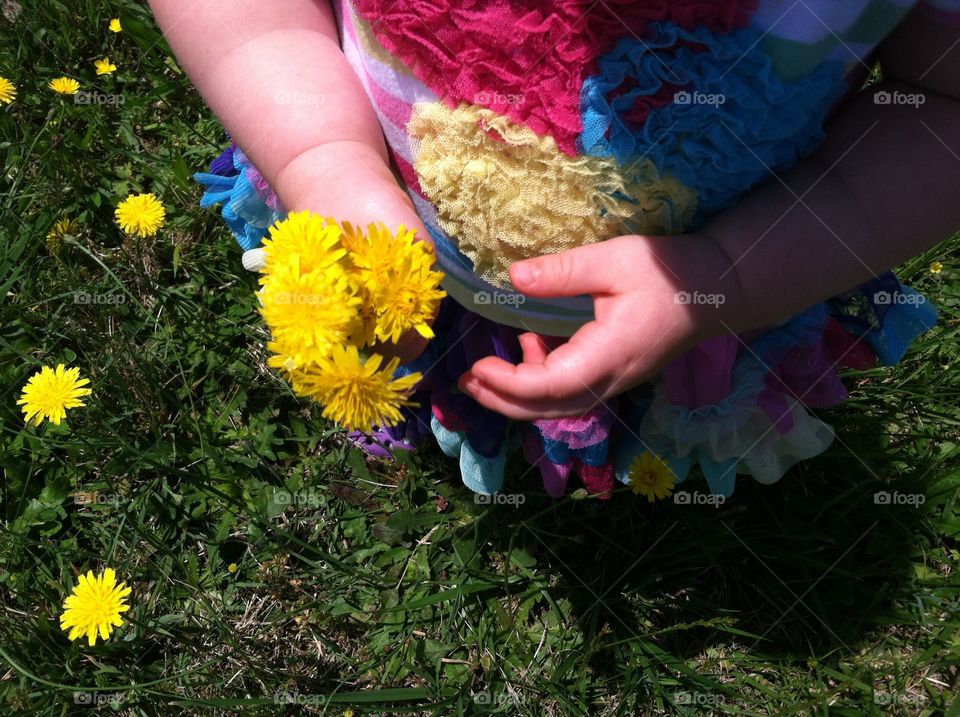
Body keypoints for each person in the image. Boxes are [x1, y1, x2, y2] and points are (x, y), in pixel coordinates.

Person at [152, 0, 960, 499]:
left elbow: (938, 103)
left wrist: (727, 278)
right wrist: (321, 158)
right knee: (437, 361)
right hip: (383, 196)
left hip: (744, 254)